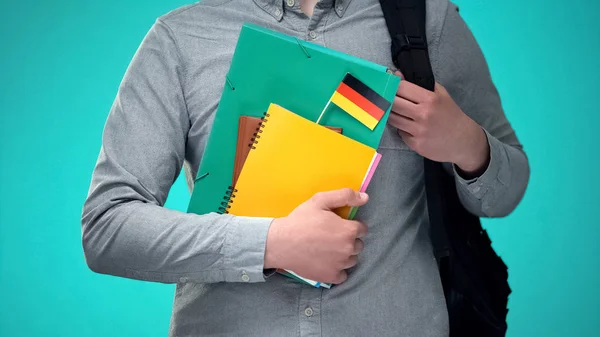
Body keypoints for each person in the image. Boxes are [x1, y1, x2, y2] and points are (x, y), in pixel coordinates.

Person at [81, 0, 529, 336]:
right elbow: (107, 227)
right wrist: (269, 244)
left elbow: (507, 190)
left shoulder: (428, 23)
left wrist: (467, 142)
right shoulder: (182, 38)